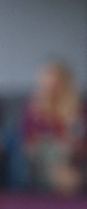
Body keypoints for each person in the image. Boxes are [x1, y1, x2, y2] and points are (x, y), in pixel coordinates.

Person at [21, 60, 86, 195]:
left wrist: (72, 145)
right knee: (65, 176)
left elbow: (81, 138)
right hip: (42, 157)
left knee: (67, 169)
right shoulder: (33, 108)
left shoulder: (77, 107)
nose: (49, 86)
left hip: (73, 156)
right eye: (46, 81)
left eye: (54, 82)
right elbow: (28, 141)